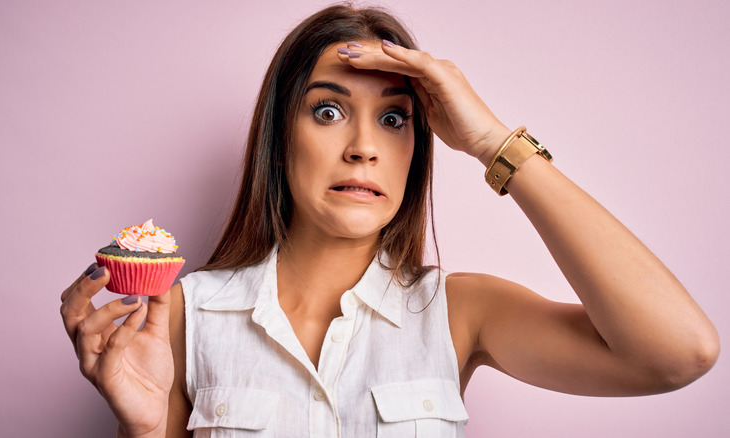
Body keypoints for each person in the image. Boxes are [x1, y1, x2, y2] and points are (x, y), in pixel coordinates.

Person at [60, 5, 719, 437]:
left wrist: (494, 141)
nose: (364, 146)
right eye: (327, 111)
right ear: (278, 141)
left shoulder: (461, 312)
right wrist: (148, 432)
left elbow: (678, 354)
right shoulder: (180, 314)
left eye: (395, 117)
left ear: (416, 146)